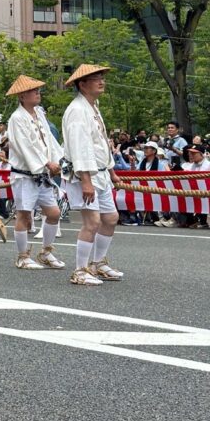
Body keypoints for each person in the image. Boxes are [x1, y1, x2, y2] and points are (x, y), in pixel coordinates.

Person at [62, 64, 123, 285]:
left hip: (100, 173)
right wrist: (86, 180)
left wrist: (112, 171)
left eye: (101, 77)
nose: (101, 81)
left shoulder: (92, 106)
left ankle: (98, 263)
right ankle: (80, 270)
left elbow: (101, 145)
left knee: (111, 218)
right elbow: (80, 148)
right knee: (92, 221)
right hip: (84, 175)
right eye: (96, 78)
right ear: (82, 84)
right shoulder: (78, 110)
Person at [5, 75, 65, 270]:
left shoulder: (39, 113)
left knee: (54, 213)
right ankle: (22, 257)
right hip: (25, 174)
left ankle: (46, 252)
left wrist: (58, 159)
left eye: (38, 90)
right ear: (22, 96)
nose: (38, 93)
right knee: (24, 215)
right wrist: (47, 163)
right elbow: (24, 146)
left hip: (42, 174)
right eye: (33, 90)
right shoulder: (16, 118)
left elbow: (49, 140)